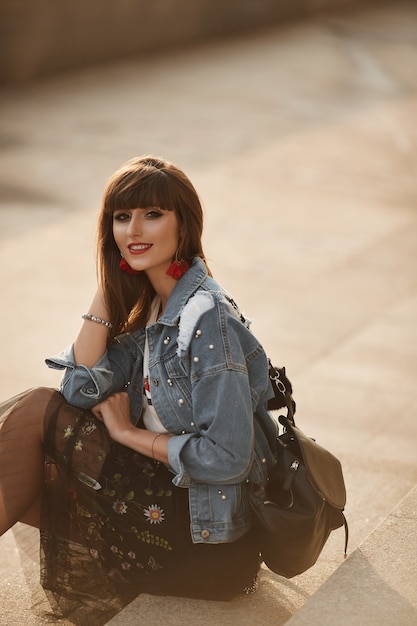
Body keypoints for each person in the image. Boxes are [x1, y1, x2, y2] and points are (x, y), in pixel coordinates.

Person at [0, 156, 278, 625]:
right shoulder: (154, 312)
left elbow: (229, 457)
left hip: (206, 545)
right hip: (166, 509)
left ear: (183, 225)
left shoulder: (206, 319)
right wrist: (107, 289)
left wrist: (129, 435)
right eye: (121, 217)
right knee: (26, 457)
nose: (134, 229)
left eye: (153, 214)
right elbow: (79, 390)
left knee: (33, 413)